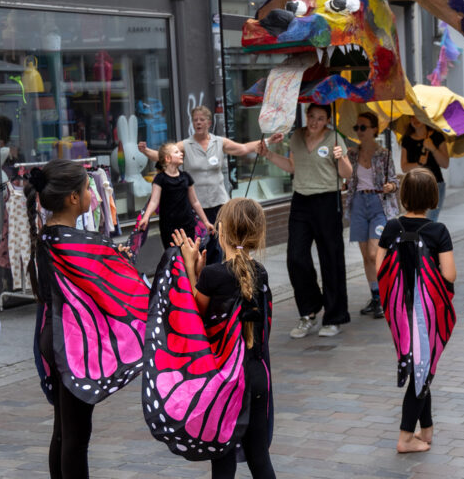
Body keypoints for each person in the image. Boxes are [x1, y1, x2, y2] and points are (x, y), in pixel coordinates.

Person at [26, 160, 149, 478]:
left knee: (63, 432)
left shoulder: (50, 236)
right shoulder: (72, 243)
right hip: (72, 343)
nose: (92, 196)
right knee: (76, 439)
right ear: (73, 198)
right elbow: (106, 285)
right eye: (87, 190)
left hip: (54, 337)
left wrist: (113, 258)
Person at [172, 198, 275, 479]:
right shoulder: (260, 272)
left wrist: (191, 269)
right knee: (259, 458)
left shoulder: (214, 276)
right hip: (256, 376)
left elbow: (194, 319)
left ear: (221, 230)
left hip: (226, 381)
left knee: (223, 460)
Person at [376, 167, 456, 453]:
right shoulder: (438, 231)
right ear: (433, 197)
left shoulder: (390, 227)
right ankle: (405, 437)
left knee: (421, 366)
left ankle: (427, 429)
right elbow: (449, 275)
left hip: (399, 313)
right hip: (428, 314)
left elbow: (379, 268)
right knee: (422, 368)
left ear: (403, 197)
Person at [255, 103, 353, 338]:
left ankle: (334, 317)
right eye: (311, 116)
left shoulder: (335, 138)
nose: (315, 122)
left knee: (331, 258)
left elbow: (347, 173)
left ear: (328, 120)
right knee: (296, 257)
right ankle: (309, 310)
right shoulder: (297, 137)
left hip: (328, 200)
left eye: (320, 118)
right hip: (301, 201)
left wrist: (341, 158)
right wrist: (268, 154)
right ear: (306, 116)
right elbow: (292, 166)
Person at [139, 105, 262, 263]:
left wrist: (267, 141)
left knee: (219, 244)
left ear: (209, 123)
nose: (198, 122)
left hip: (218, 202)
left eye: (201, 119)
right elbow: (163, 156)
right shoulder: (186, 145)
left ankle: (215, 274)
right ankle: (203, 277)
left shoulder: (219, 142)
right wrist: (146, 151)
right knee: (201, 247)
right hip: (196, 207)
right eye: (195, 120)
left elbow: (243, 148)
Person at [346, 112, 398, 319]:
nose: (359, 131)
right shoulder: (351, 154)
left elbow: (395, 181)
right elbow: (344, 176)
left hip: (378, 204)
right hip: (358, 203)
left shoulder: (384, 155)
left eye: (363, 127)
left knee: (374, 253)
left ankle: (385, 296)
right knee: (365, 256)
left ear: (375, 130)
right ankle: (375, 297)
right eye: (357, 128)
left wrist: (390, 186)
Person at [136, 142, 215, 248]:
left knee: (188, 258)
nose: (181, 154)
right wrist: (146, 217)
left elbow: (195, 202)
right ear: (168, 158)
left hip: (188, 225)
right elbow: (154, 201)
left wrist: (206, 222)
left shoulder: (186, 177)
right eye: (177, 152)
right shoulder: (160, 179)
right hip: (169, 227)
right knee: (173, 259)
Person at [400, 117, 450, 221]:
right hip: (414, 186)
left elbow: (445, 163)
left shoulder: (436, 136)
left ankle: (427, 237)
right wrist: (418, 164)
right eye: (412, 117)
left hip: (435, 184)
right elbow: (404, 167)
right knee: (416, 219)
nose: (415, 119)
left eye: (418, 116)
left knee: (430, 220)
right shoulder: (407, 139)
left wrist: (433, 148)